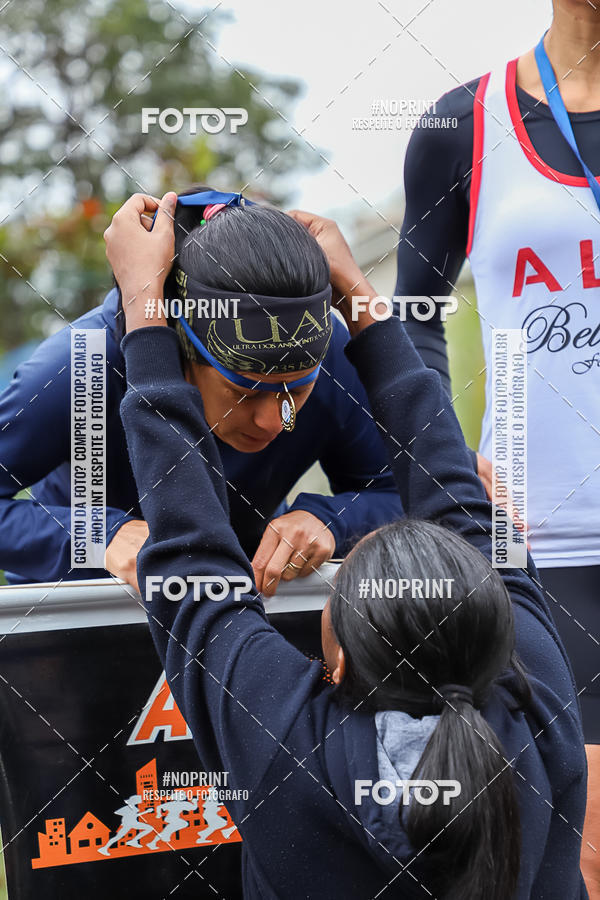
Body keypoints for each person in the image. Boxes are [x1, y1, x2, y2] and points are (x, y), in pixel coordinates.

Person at [106, 195, 588, 898]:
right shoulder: (541, 712)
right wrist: (357, 295)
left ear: (335, 666)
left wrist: (144, 303)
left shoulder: (289, 754)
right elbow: (198, 565)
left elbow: (189, 557)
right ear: (494, 621)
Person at [395, 1, 600, 890]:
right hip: (545, 547)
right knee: (587, 845)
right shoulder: (461, 123)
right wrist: (447, 460)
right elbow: (409, 321)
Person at [0, 186, 403, 595]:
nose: (272, 421)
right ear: (176, 347)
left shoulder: (327, 353)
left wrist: (331, 520)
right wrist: (92, 536)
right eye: (243, 391)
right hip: (72, 614)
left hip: (236, 608)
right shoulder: (84, 367)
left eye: (296, 391)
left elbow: (401, 491)